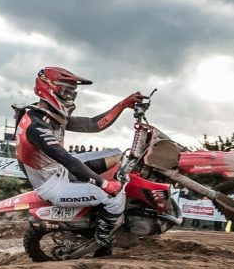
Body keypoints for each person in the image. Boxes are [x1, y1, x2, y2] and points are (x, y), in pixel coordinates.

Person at [14, 66, 144, 258]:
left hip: (57, 170)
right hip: (52, 185)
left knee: (117, 154)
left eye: (72, 94)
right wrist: (104, 184)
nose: (70, 98)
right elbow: (66, 159)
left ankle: (104, 215)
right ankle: (103, 239)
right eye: (67, 93)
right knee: (116, 196)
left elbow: (92, 125)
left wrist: (123, 104)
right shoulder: (37, 126)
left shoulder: (48, 114)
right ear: (49, 89)